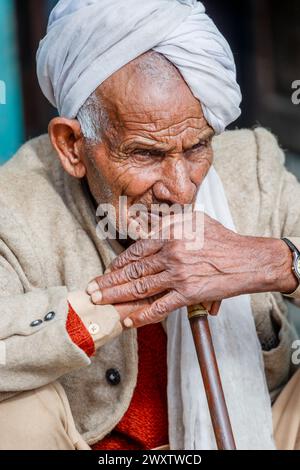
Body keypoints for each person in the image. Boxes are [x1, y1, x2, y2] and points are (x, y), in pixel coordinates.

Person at [0, 0, 299, 450]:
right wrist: (116, 300)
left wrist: (273, 261)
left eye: (197, 146)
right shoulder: (15, 205)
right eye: (145, 154)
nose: (180, 190)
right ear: (73, 146)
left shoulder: (253, 166)